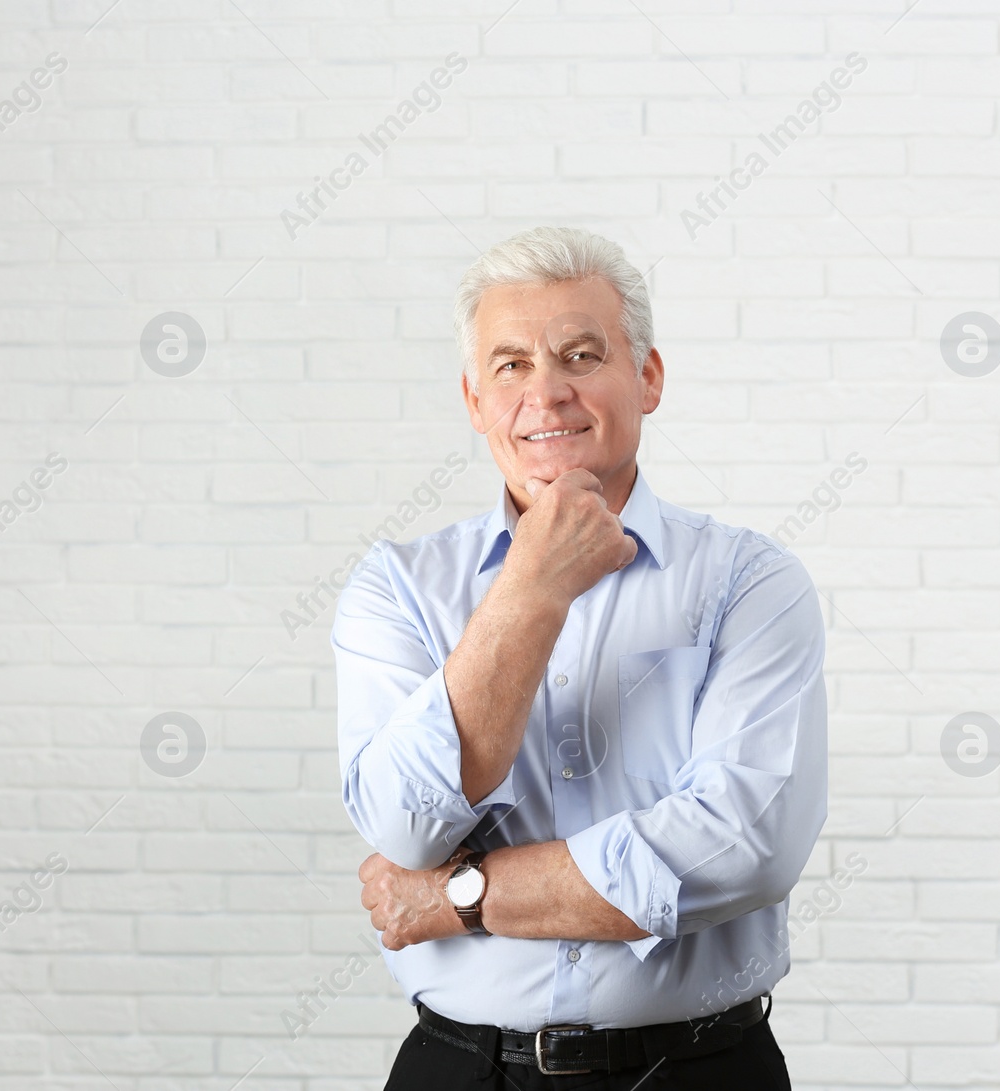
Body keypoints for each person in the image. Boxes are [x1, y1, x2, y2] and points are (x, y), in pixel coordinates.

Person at [332, 226, 827, 1089]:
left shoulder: (753, 583)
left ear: (648, 377)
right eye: (511, 365)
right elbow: (408, 825)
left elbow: (744, 844)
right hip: (460, 1070)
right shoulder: (397, 589)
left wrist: (459, 896)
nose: (546, 393)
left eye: (581, 354)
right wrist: (531, 590)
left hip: (700, 1070)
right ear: (474, 398)